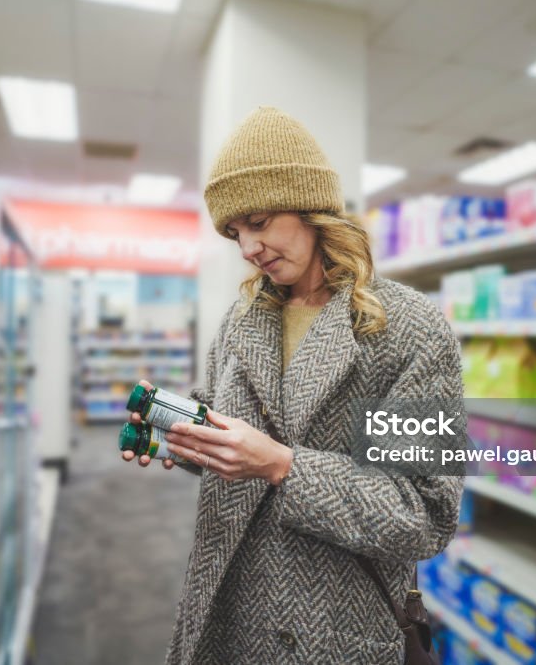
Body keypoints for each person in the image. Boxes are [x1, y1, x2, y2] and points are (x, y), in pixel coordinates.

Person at [122, 106, 464, 664]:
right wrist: (190, 437)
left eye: (257, 222)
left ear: (311, 209)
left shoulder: (408, 328)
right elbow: (235, 423)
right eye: (235, 232)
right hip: (225, 611)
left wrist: (284, 466)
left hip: (331, 632)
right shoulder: (242, 319)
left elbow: (425, 514)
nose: (247, 248)